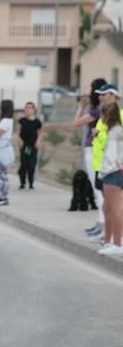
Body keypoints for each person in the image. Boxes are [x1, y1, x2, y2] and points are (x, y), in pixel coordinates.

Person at [74, 78, 108, 237]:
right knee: (100, 189)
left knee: (98, 190)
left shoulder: (96, 111)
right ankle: (100, 223)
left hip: (93, 149)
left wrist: (81, 106)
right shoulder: (104, 109)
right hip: (99, 149)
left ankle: (102, 225)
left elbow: (77, 122)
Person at [97, 101, 123, 255]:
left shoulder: (114, 133)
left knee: (114, 209)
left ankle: (118, 243)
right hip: (115, 173)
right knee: (107, 208)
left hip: (112, 173)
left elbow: (110, 158)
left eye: (102, 114)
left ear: (107, 116)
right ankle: (108, 241)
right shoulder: (116, 131)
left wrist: (103, 172)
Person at [18, 101, 43, 190]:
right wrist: (19, 140)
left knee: (31, 165)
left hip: (33, 146)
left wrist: (38, 141)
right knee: (23, 165)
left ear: (33, 110)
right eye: (26, 107)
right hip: (24, 146)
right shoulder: (22, 121)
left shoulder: (37, 122)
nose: (28, 109)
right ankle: (22, 183)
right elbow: (18, 132)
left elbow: (40, 132)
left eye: (30, 107)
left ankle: (31, 183)